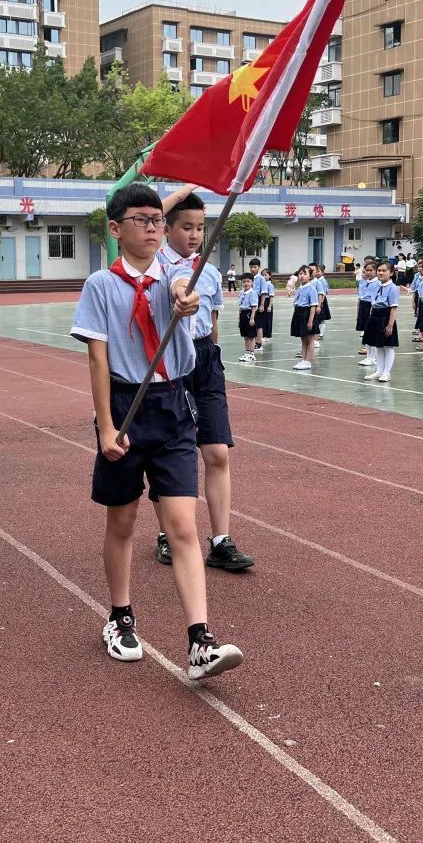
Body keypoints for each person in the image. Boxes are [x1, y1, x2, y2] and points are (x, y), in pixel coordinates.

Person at [71, 183, 243, 679]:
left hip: (172, 407)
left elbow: (178, 291)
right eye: (142, 219)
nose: (152, 227)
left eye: (156, 220)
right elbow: (97, 358)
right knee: (121, 523)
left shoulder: (178, 272)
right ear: (115, 229)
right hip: (125, 407)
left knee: (184, 526)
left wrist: (183, 300)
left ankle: (200, 640)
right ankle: (120, 616)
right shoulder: (101, 285)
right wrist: (105, 426)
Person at [154, 193, 254, 573]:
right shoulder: (154, 267)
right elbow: (177, 285)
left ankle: (220, 540)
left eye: (200, 227)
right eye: (186, 226)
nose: (195, 235)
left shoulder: (209, 272)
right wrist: (184, 188)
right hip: (168, 362)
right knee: (166, 455)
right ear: (167, 228)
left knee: (217, 453)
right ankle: (167, 534)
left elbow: (210, 323)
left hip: (205, 362)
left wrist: (211, 357)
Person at [362, 261, 398, 382]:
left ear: (391, 273)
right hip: (375, 315)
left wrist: (390, 325)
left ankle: (386, 373)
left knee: (388, 346)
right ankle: (379, 371)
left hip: (386, 316)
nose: (381, 272)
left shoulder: (392, 288)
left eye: (384, 270)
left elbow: (393, 307)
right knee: (378, 345)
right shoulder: (377, 285)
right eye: (379, 270)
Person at [291, 265, 319, 371]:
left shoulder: (311, 288)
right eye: (300, 273)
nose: (302, 276)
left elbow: (313, 306)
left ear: (310, 277)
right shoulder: (300, 288)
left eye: (305, 273)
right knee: (303, 339)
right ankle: (303, 359)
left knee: (310, 339)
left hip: (307, 314)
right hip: (299, 313)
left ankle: (308, 361)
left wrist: (310, 320)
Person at [356, 260, 379, 365]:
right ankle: (368, 356)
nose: (368, 272)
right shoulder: (365, 282)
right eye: (366, 270)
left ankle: (373, 357)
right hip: (363, 305)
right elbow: (361, 296)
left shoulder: (377, 283)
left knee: (372, 333)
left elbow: (375, 299)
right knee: (366, 332)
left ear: (376, 271)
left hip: (371, 307)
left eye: (371, 270)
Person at [238, 274, 258, 363]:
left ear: (252, 283)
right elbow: (240, 307)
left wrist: (252, 318)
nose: (246, 283)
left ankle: (251, 354)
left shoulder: (253, 293)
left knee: (251, 336)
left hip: (249, 314)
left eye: (248, 281)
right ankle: (247, 352)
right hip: (243, 313)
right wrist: (239, 319)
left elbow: (254, 306)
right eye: (244, 282)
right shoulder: (242, 293)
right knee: (245, 336)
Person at [248, 257, 266, 351]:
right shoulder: (250, 278)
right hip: (251, 301)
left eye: (255, 267)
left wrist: (262, 304)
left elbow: (263, 292)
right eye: (251, 267)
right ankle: (254, 341)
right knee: (252, 323)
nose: (252, 269)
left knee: (258, 324)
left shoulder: (261, 279)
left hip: (258, 301)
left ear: (259, 267)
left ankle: (259, 343)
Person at [311, 264, 331, 344]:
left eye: (318, 271)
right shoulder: (316, 280)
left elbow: (323, 292)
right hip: (318, 300)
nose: (317, 273)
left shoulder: (321, 281)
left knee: (321, 318)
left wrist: (321, 303)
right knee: (320, 318)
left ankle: (320, 334)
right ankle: (319, 334)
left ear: (322, 272)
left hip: (321, 301)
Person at [259, 268, 276, 343]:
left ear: (270, 276)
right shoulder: (262, 284)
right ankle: (262, 335)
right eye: (262, 275)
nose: (264, 277)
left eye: (265, 275)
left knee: (268, 320)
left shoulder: (270, 285)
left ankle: (267, 336)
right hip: (262, 302)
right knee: (262, 319)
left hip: (267, 302)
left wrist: (269, 306)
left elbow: (271, 296)